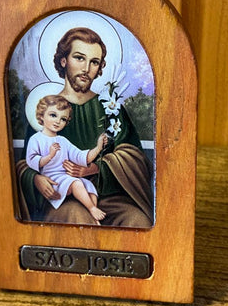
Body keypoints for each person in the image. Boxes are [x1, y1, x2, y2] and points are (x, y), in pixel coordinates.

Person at [16, 27, 153, 228]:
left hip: (108, 197)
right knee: (79, 219)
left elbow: (137, 160)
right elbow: (24, 163)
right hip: (63, 196)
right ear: (64, 60)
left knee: (137, 220)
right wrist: (36, 179)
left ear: (100, 67)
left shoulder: (111, 108)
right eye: (79, 58)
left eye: (94, 62)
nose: (86, 68)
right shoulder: (49, 110)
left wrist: (96, 168)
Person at [26, 95, 108, 223]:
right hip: (51, 180)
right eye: (53, 115)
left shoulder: (63, 141)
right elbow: (31, 161)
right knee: (76, 183)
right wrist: (50, 156)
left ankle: (93, 216)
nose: (58, 121)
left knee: (89, 186)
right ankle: (92, 209)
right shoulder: (36, 139)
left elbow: (81, 157)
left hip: (65, 177)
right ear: (41, 115)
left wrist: (98, 148)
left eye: (63, 119)